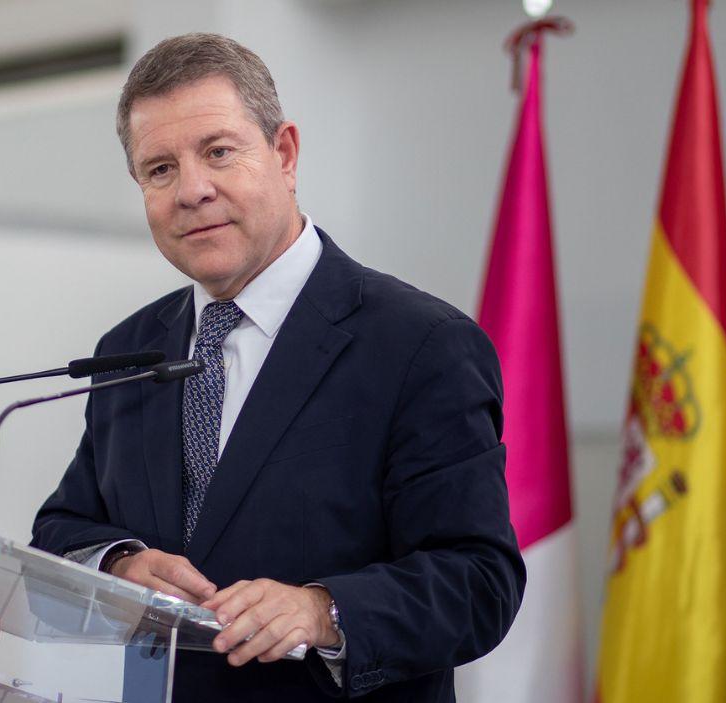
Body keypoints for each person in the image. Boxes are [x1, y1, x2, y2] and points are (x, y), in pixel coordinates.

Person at [31, 32, 524, 702]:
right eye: (160, 169)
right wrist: (119, 562)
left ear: (284, 153)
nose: (192, 191)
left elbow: (479, 579)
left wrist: (325, 610)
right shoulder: (130, 349)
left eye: (218, 152)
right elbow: (63, 527)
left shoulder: (421, 343)